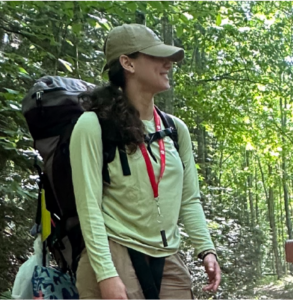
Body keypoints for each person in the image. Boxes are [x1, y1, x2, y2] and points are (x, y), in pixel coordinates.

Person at [70, 23, 221, 300]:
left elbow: (189, 199)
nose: (168, 64)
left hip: (168, 256)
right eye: (156, 56)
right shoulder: (93, 125)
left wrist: (206, 248)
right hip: (115, 252)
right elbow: (88, 206)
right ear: (127, 63)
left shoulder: (175, 129)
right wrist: (106, 274)